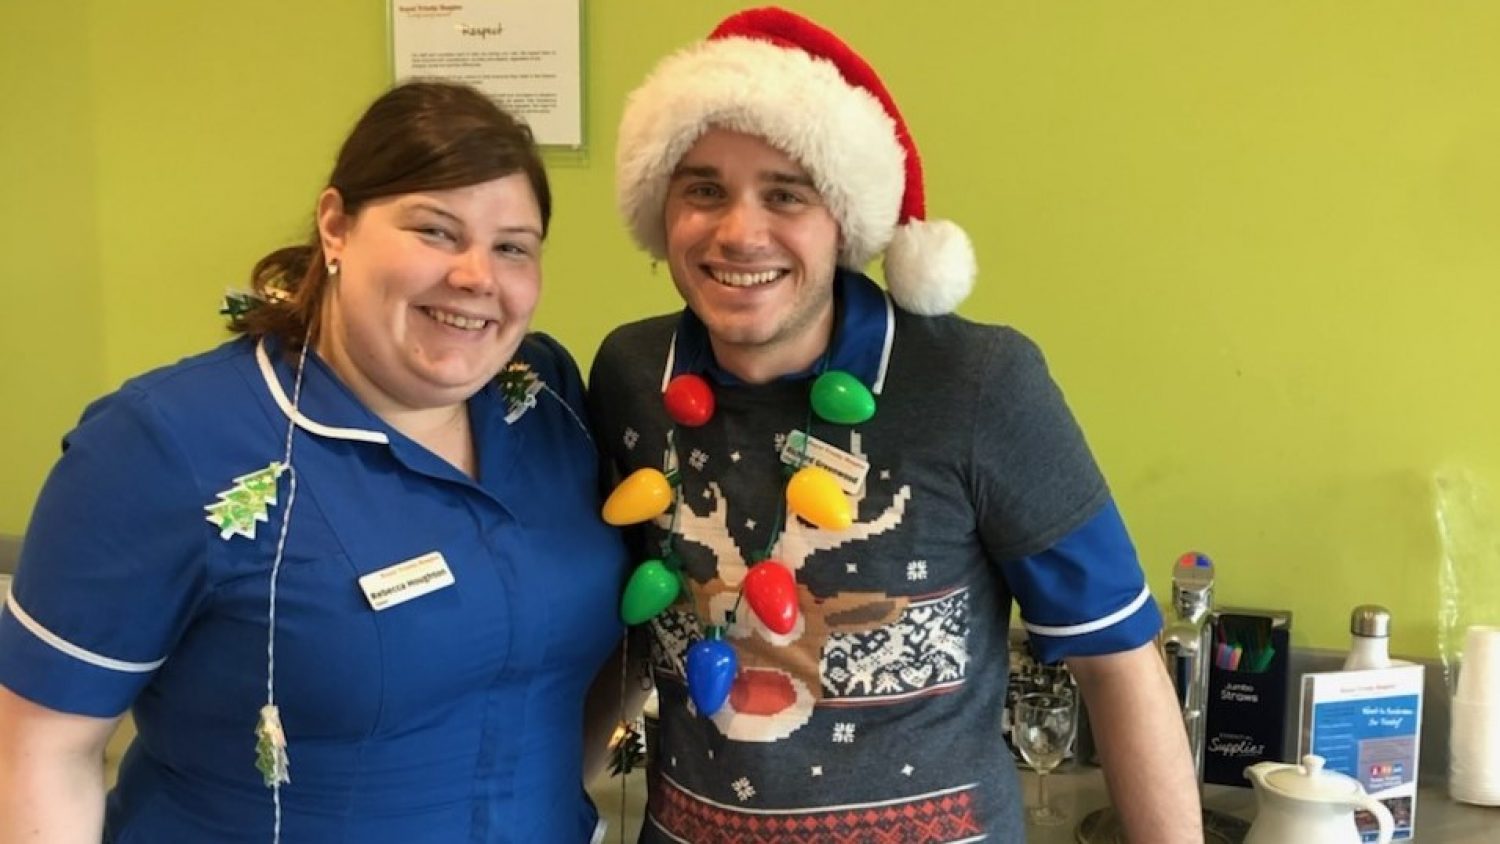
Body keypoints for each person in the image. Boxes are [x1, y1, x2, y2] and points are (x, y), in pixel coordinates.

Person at [588, 8, 1202, 842]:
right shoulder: (630, 377)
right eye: (703, 189)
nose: (739, 231)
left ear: (844, 218)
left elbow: (1118, 661)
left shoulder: (978, 384)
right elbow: (624, 634)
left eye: (786, 194)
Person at [0, 81, 627, 843]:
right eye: (434, 230)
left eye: (512, 247)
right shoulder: (164, 444)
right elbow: (39, 753)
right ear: (336, 226)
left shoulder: (546, 401)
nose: (476, 276)